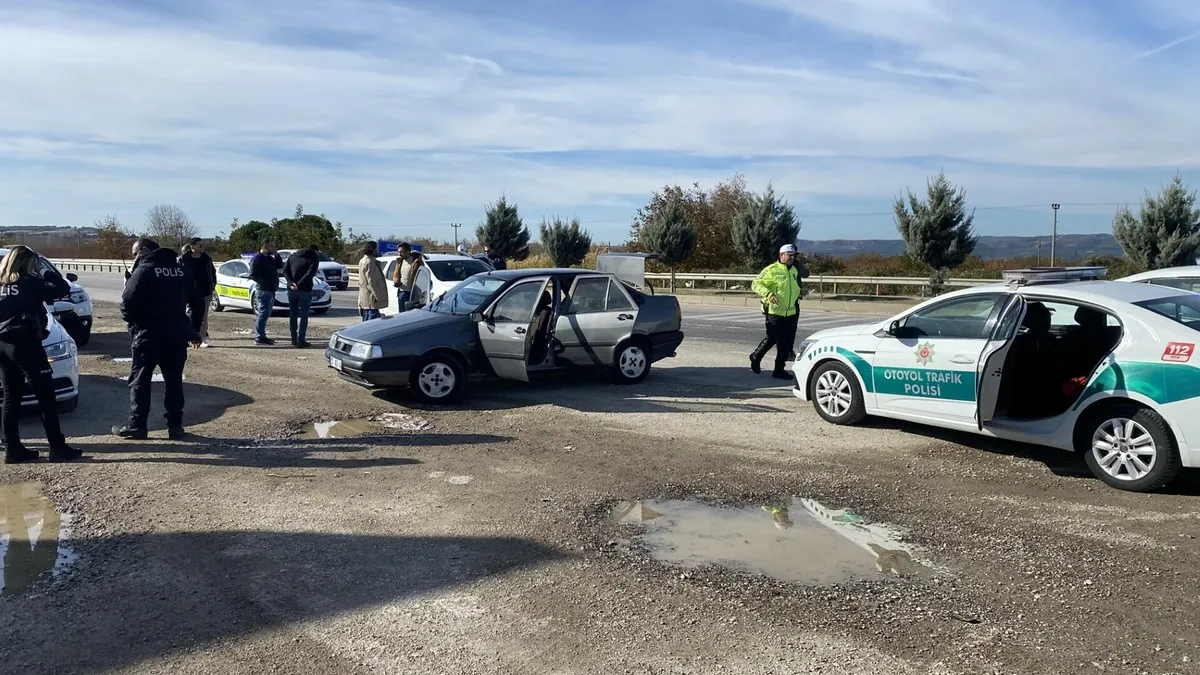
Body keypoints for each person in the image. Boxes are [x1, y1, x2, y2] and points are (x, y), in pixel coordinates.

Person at [112, 238, 202, 440]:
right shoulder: (180, 270)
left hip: (148, 335)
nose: (134, 258)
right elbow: (197, 302)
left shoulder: (144, 270)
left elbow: (127, 302)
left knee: (140, 381)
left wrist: (132, 324)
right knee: (174, 382)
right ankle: (175, 426)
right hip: (176, 335)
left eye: (135, 253)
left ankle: (137, 425)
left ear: (143, 251)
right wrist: (193, 329)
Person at [0, 246, 82, 463]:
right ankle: (57, 447)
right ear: (28, 263)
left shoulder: (1, 285)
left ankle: (12, 448)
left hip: (2, 344)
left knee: (11, 397)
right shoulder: (29, 283)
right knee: (46, 396)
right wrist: (45, 271)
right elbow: (62, 287)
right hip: (25, 343)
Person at [749, 244, 804, 380]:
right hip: (774, 311)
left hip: (790, 312)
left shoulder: (794, 271)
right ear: (782, 255)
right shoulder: (772, 270)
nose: (792, 258)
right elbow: (755, 284)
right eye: (789, 255)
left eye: (794, 255)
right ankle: (756, 356)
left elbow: (794, 288)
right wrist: (768, 294)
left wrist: (799, 294)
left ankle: (779, 370)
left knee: (785, 343)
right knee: (772, 337)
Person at [178, 237, 216, 348]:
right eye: (199, 245)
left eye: (203, 245)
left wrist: (213, 285)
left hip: (205, 291)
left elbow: (212, 273)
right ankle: (188, 336)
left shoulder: (207, 259)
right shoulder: (183, 259)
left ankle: (201, 338)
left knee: (203, 316)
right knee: (188, 314)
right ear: (192, 246)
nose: (202, 247)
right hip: (188, 291)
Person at [284, 244, 320, 347]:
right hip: (305, 289)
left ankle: (293, 338)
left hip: (291, 290)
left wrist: (291, 283)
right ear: (315, 250)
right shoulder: (313, 258)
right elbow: (310, 274)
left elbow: (285, 270)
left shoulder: (292, 256)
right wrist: (299, 285)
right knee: (304, 315)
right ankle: (301, 339)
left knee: (293, 313)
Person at [248, 241, 283, 346]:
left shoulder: (270, 258)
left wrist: (276, 255)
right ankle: (259, 337)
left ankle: (263, 336)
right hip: (263, 290)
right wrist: (264, 282)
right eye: (272, 247)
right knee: (263, 314)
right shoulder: (257, 259)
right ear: (266, 247)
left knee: (266, 314)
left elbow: (279, 265)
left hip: (271, 289)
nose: (274, 249)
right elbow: (253, 274)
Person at [357, 241, 388, 321]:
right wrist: (379, 297)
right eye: (376, 248)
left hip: (365, 299)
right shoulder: (370, 262)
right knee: (372, 324)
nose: (377, 250)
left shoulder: (362, 260)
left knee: (366, 322)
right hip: (371, 299)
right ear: (372, 249)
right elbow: (371, 282)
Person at [391, 243, 424, 312]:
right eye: (398, 252)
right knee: (402, 315)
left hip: (414, 293)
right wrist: (396, 281)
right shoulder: (399, 262)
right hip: (402, 292)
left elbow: (422, 276)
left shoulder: (416, 262)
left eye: (401, 252)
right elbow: (396, 275)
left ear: (408, 252)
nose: (399, 254)